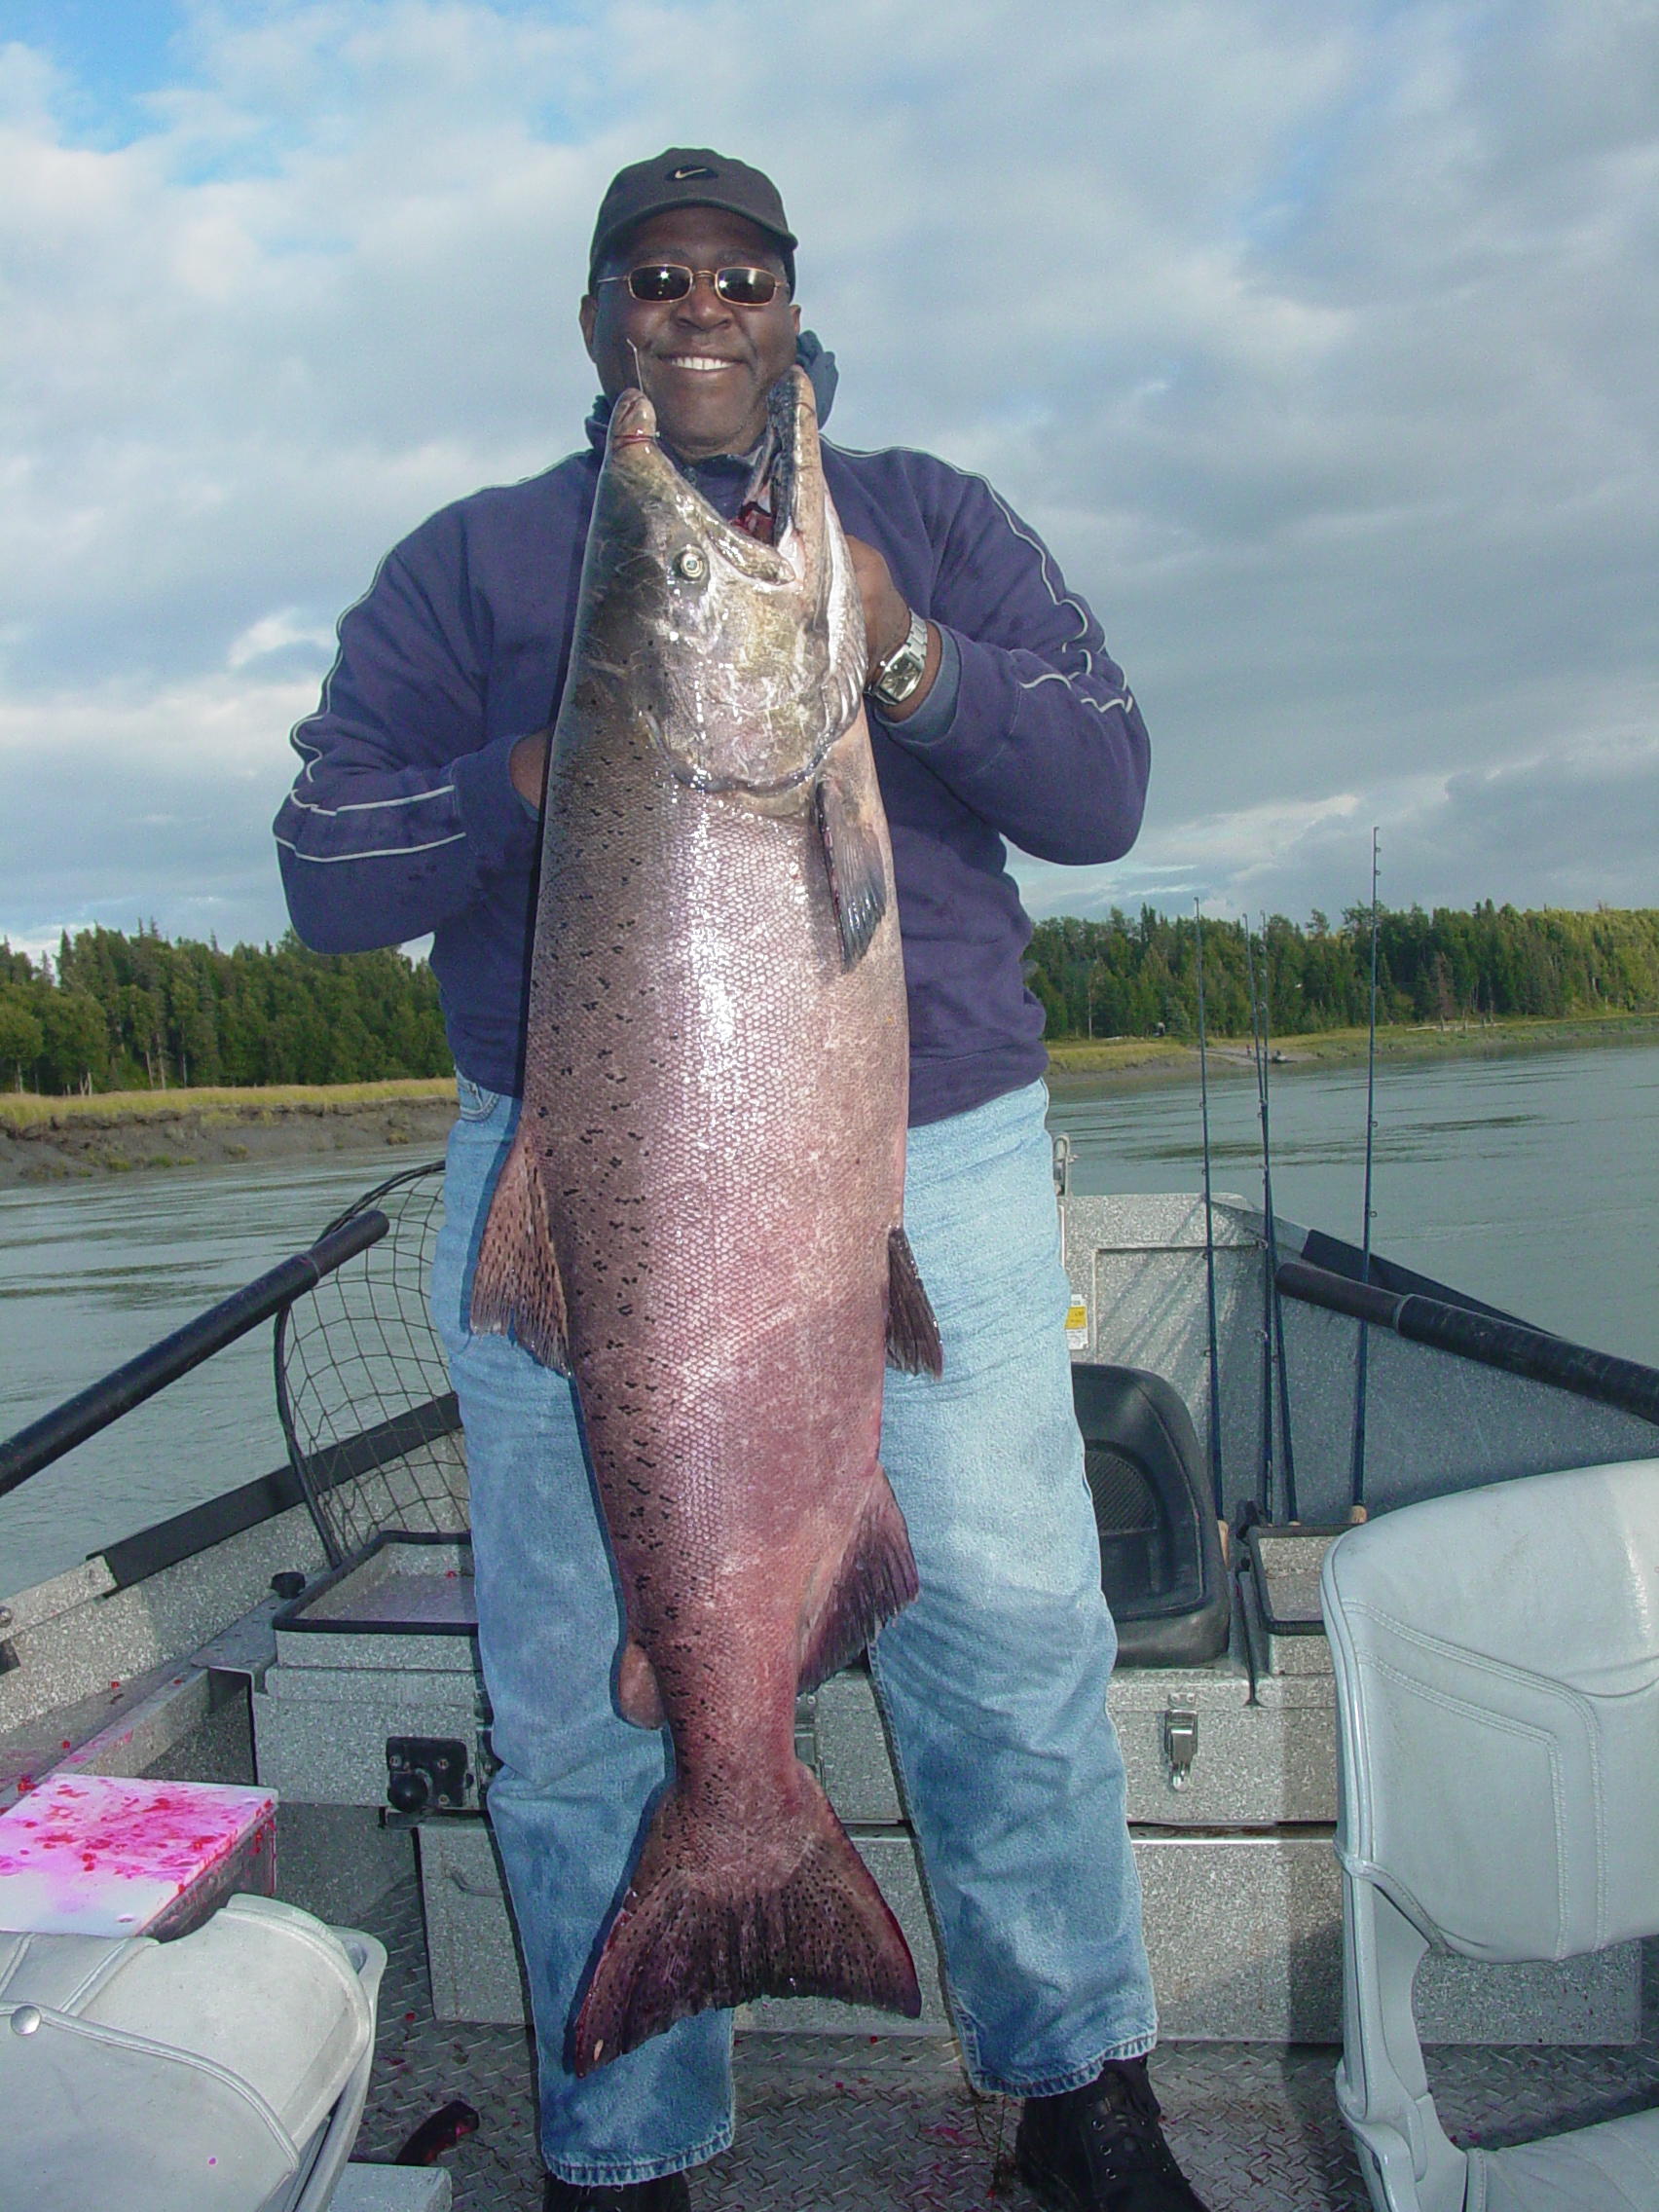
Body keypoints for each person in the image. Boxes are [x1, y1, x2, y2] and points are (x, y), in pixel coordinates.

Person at [275, 148, 1208, 2212]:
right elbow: (319, 871)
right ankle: (626, 2142)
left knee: (1016, 1633)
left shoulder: (930, 522)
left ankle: (1079, 2088)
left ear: (790, 308)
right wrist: (536, 765)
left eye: (744, 274)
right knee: (576, 1689)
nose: (703, 302)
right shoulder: (479, 565)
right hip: (580, 1174)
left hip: (927, 1150)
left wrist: (902, 648)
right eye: (658, 273)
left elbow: (1108, 791)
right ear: (602, 314)